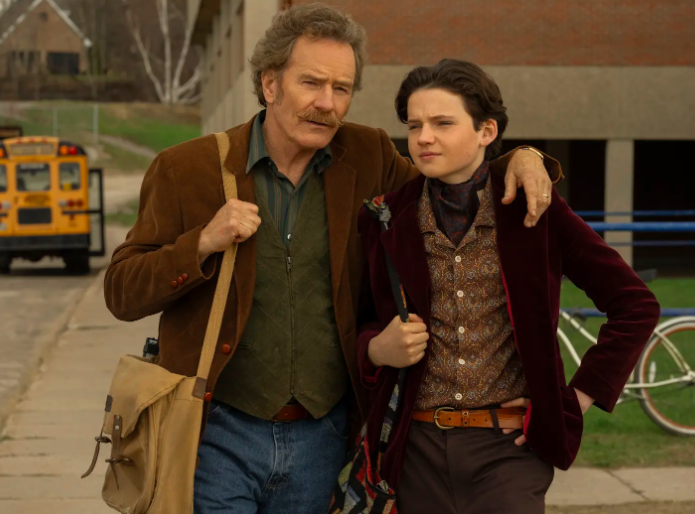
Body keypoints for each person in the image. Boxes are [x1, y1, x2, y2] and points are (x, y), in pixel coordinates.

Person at [104, 5, 561, 514]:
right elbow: (121, 291)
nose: (327, 103)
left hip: (322, 437)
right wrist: (203, 243)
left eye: (341, 88)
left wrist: (521, 158)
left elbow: (452, 180)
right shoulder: (186, 168)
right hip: (215, 433)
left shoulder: (367, 155)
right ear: (270, 84)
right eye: (311, 83)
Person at [357, 59, 661, 514]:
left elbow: (634, 304)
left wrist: (572, 402)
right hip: (414, 449)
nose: (423, 137)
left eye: (443, 123)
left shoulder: (533, 210)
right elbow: (362, 321)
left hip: (508, 451)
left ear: (486, 131)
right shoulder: (386, 217)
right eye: (414, 125)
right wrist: (376, 349)